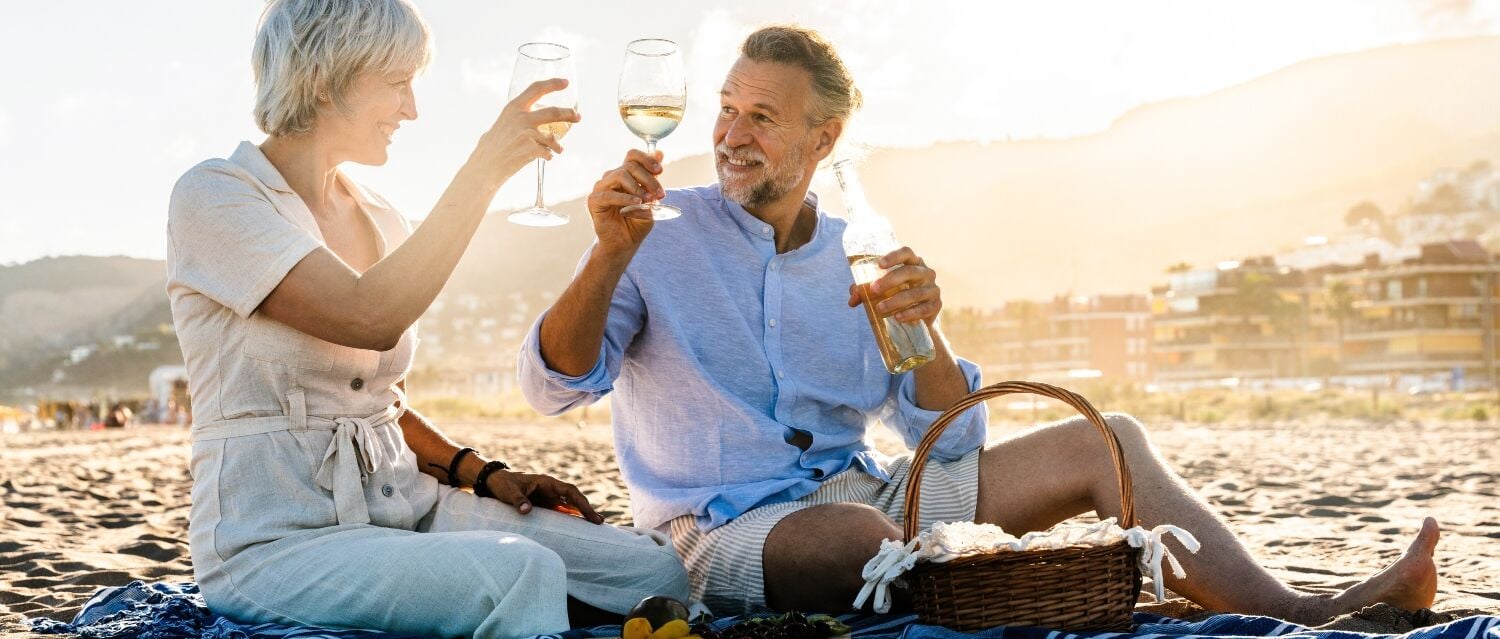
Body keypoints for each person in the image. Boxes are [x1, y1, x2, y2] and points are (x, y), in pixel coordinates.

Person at [518, 24, 1440, 623]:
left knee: (1106, 437)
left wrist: (932, 331)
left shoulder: (861, 249)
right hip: (721, 531)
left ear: (821, 138)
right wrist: (605, 252)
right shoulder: (651, 233)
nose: (730, 133)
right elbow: (553, 383)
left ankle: (1298, 612)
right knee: (863, 548)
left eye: (761, 116)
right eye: (726, 109)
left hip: (873, 494)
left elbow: (947, 435)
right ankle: (1133, 607)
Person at [166, 2, 687, 638]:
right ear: (329, 78)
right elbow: (369, 318)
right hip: (277, 540)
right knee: (519, 573)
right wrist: (484, 169)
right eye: (397, 82)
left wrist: (482, 473)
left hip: (405, 504)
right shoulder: (216, 196)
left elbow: (376, 400)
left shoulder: (382, 217)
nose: (411, 109)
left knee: (650, 571)